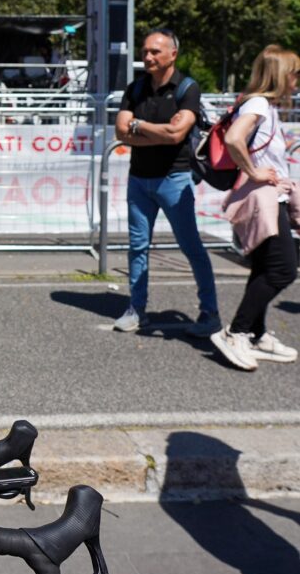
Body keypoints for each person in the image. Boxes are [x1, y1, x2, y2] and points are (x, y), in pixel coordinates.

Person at [112, 27, 220, 335]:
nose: (147, 57)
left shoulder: (187, 88)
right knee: (137, 247)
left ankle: (210, 313)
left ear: (173, 54)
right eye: (145, 51)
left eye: (155, 51)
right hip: (139, 180)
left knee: (191, 246)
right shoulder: (135, 88)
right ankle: (137, 308)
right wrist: (155, 132)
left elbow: (176, 135)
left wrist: (138, 125)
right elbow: (121, 132)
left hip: (175, 179)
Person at [211, 45, 300, 371]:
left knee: (265, 267)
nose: (297, 80)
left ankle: (256, 334)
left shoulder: (263, 105)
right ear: (280, 74)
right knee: (283, 269)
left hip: (269, 197)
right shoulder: (259, 103)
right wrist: (254, 171)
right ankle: (235, 332)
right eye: (295, 73)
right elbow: (234, 138)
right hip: (263, 198)